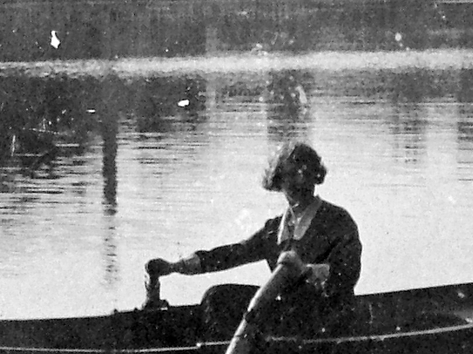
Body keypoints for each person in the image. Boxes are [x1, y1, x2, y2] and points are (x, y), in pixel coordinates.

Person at [147, 141, 362, 336]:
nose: (300, 182)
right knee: (217, 298)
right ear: (278, 181)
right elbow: (232, 254)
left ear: (316, 176)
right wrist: (175, 266)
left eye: (306, 174)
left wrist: (306, 271)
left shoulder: (337, 220)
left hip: (329, 318)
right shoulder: (274, 230)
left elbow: (348, 274)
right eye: (292, 175)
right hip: (291, 316)